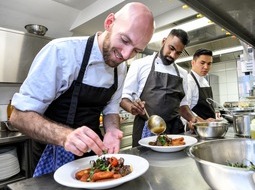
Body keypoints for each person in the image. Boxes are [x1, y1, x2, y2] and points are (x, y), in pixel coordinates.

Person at [9, 2, 154, 177]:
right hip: (50, 153)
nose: (125, 55)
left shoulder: (120, 67)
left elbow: (111, 109)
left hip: (91, 154)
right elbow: (18, 116)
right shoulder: (61, 52)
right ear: (109, 23)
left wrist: (111, 130)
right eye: (124, 40)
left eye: (136, 50)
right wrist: (65, 136)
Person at [120, 29, 199, 147]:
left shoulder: (182, 73)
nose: (173, 55)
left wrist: (196, 120)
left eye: (178, 53)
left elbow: (183, 106)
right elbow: (124, 98)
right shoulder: (140, 65)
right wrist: (132, 107)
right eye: (171, 48)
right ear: (163, 42)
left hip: (174, 131)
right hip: (146, 131)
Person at [187, 48, 217, 125]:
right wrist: (202, 122)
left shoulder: (205, 81)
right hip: (198, 128)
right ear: (193, 63)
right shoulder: (189, 81)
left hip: (209, 127)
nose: (206, 67)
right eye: (202, 63)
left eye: (209, 63)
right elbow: (185, 109)